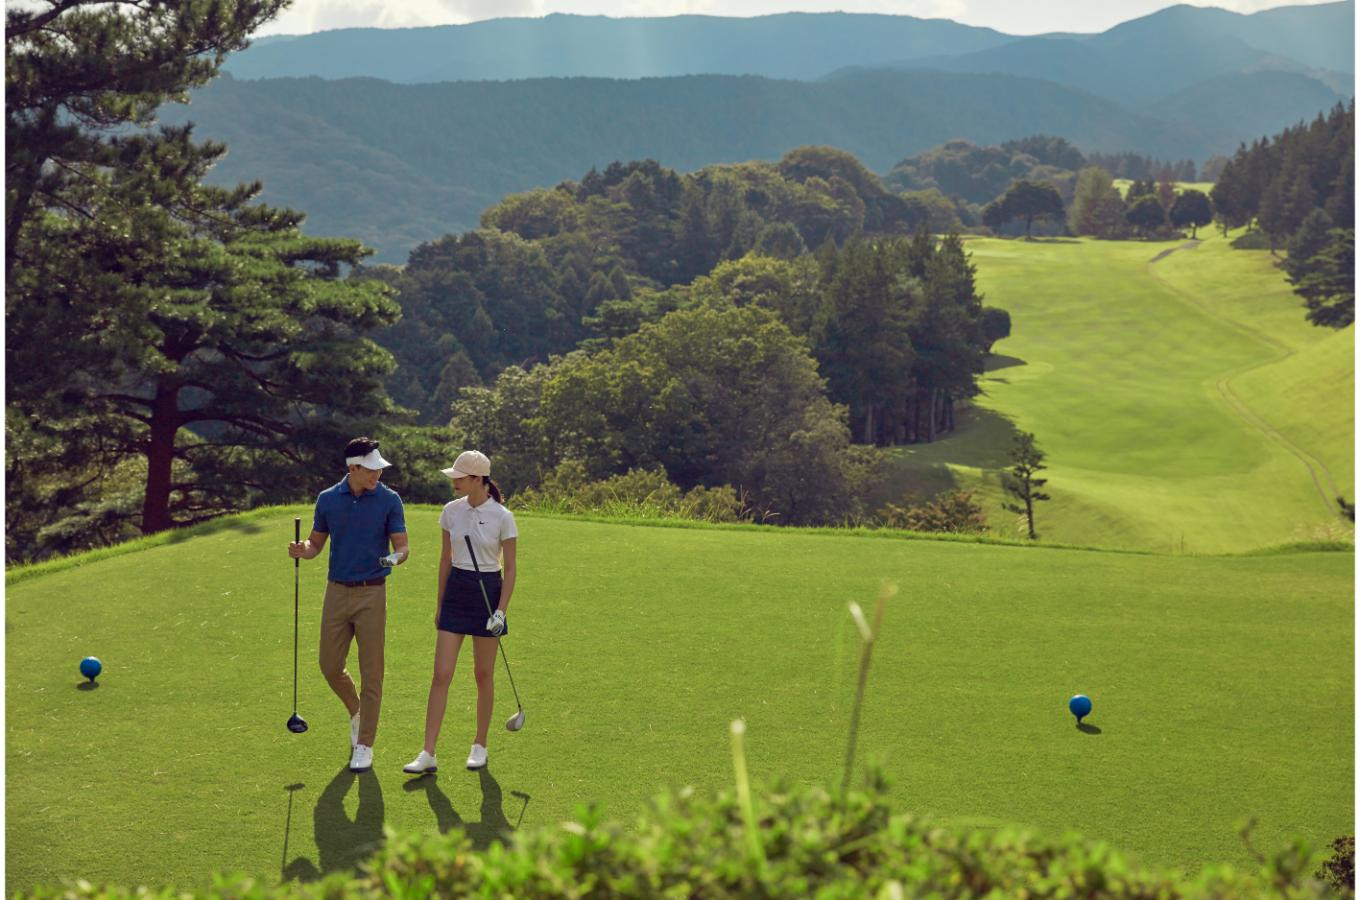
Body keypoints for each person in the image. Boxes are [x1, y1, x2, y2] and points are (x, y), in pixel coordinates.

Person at [288, 436, 408, 773]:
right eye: (370, 470)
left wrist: (394, 559)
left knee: (373, 672)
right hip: (337, 592)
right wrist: (303, 549)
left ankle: (365, 744)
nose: (377, 475)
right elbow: (315, 544)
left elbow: (403, 547)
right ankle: (357, 710)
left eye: (379, 469)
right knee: (329, 665)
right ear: (352, 469)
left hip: (373, 592)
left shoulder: (389, 500)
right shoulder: (328, 499)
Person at [404, 450, 517, 774]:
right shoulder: (450, 511)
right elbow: (444, 560)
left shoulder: (503, 516)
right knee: (441, 674)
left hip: (488, 593)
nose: (454, 482)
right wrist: (440, 604)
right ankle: (428, 752)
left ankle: (479, 745)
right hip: (457, 590)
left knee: (483, 674)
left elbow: (509, 570)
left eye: (460, 477)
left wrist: (501, 611)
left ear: (478, 479)